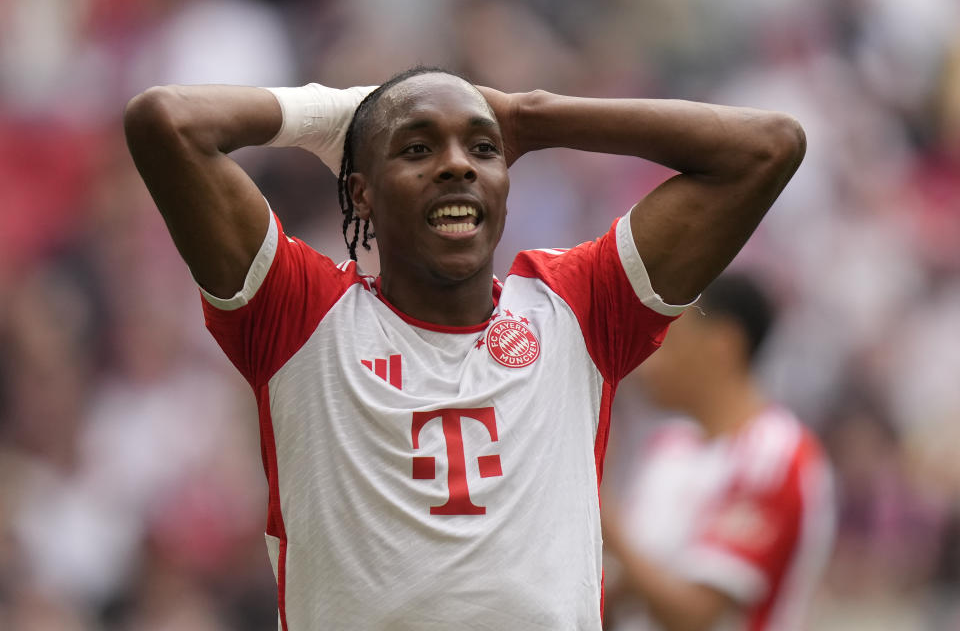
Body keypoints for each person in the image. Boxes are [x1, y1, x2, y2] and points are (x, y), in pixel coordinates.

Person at [123, 65, 806, 629]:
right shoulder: (298, 313)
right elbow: (168, 122)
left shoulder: (578, 307)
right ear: (359, 193)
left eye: (483, 148)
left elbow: (766, 147)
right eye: (417, 148)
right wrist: (340, 114)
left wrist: (533, 117)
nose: (457, 166)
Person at [601, 273, 836, 631]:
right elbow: (629, 590)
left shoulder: (775, 458)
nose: (650, 362)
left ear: (723, 345)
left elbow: (697, 616)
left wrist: (602, 512)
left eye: (670, 340)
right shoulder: (668, 446)